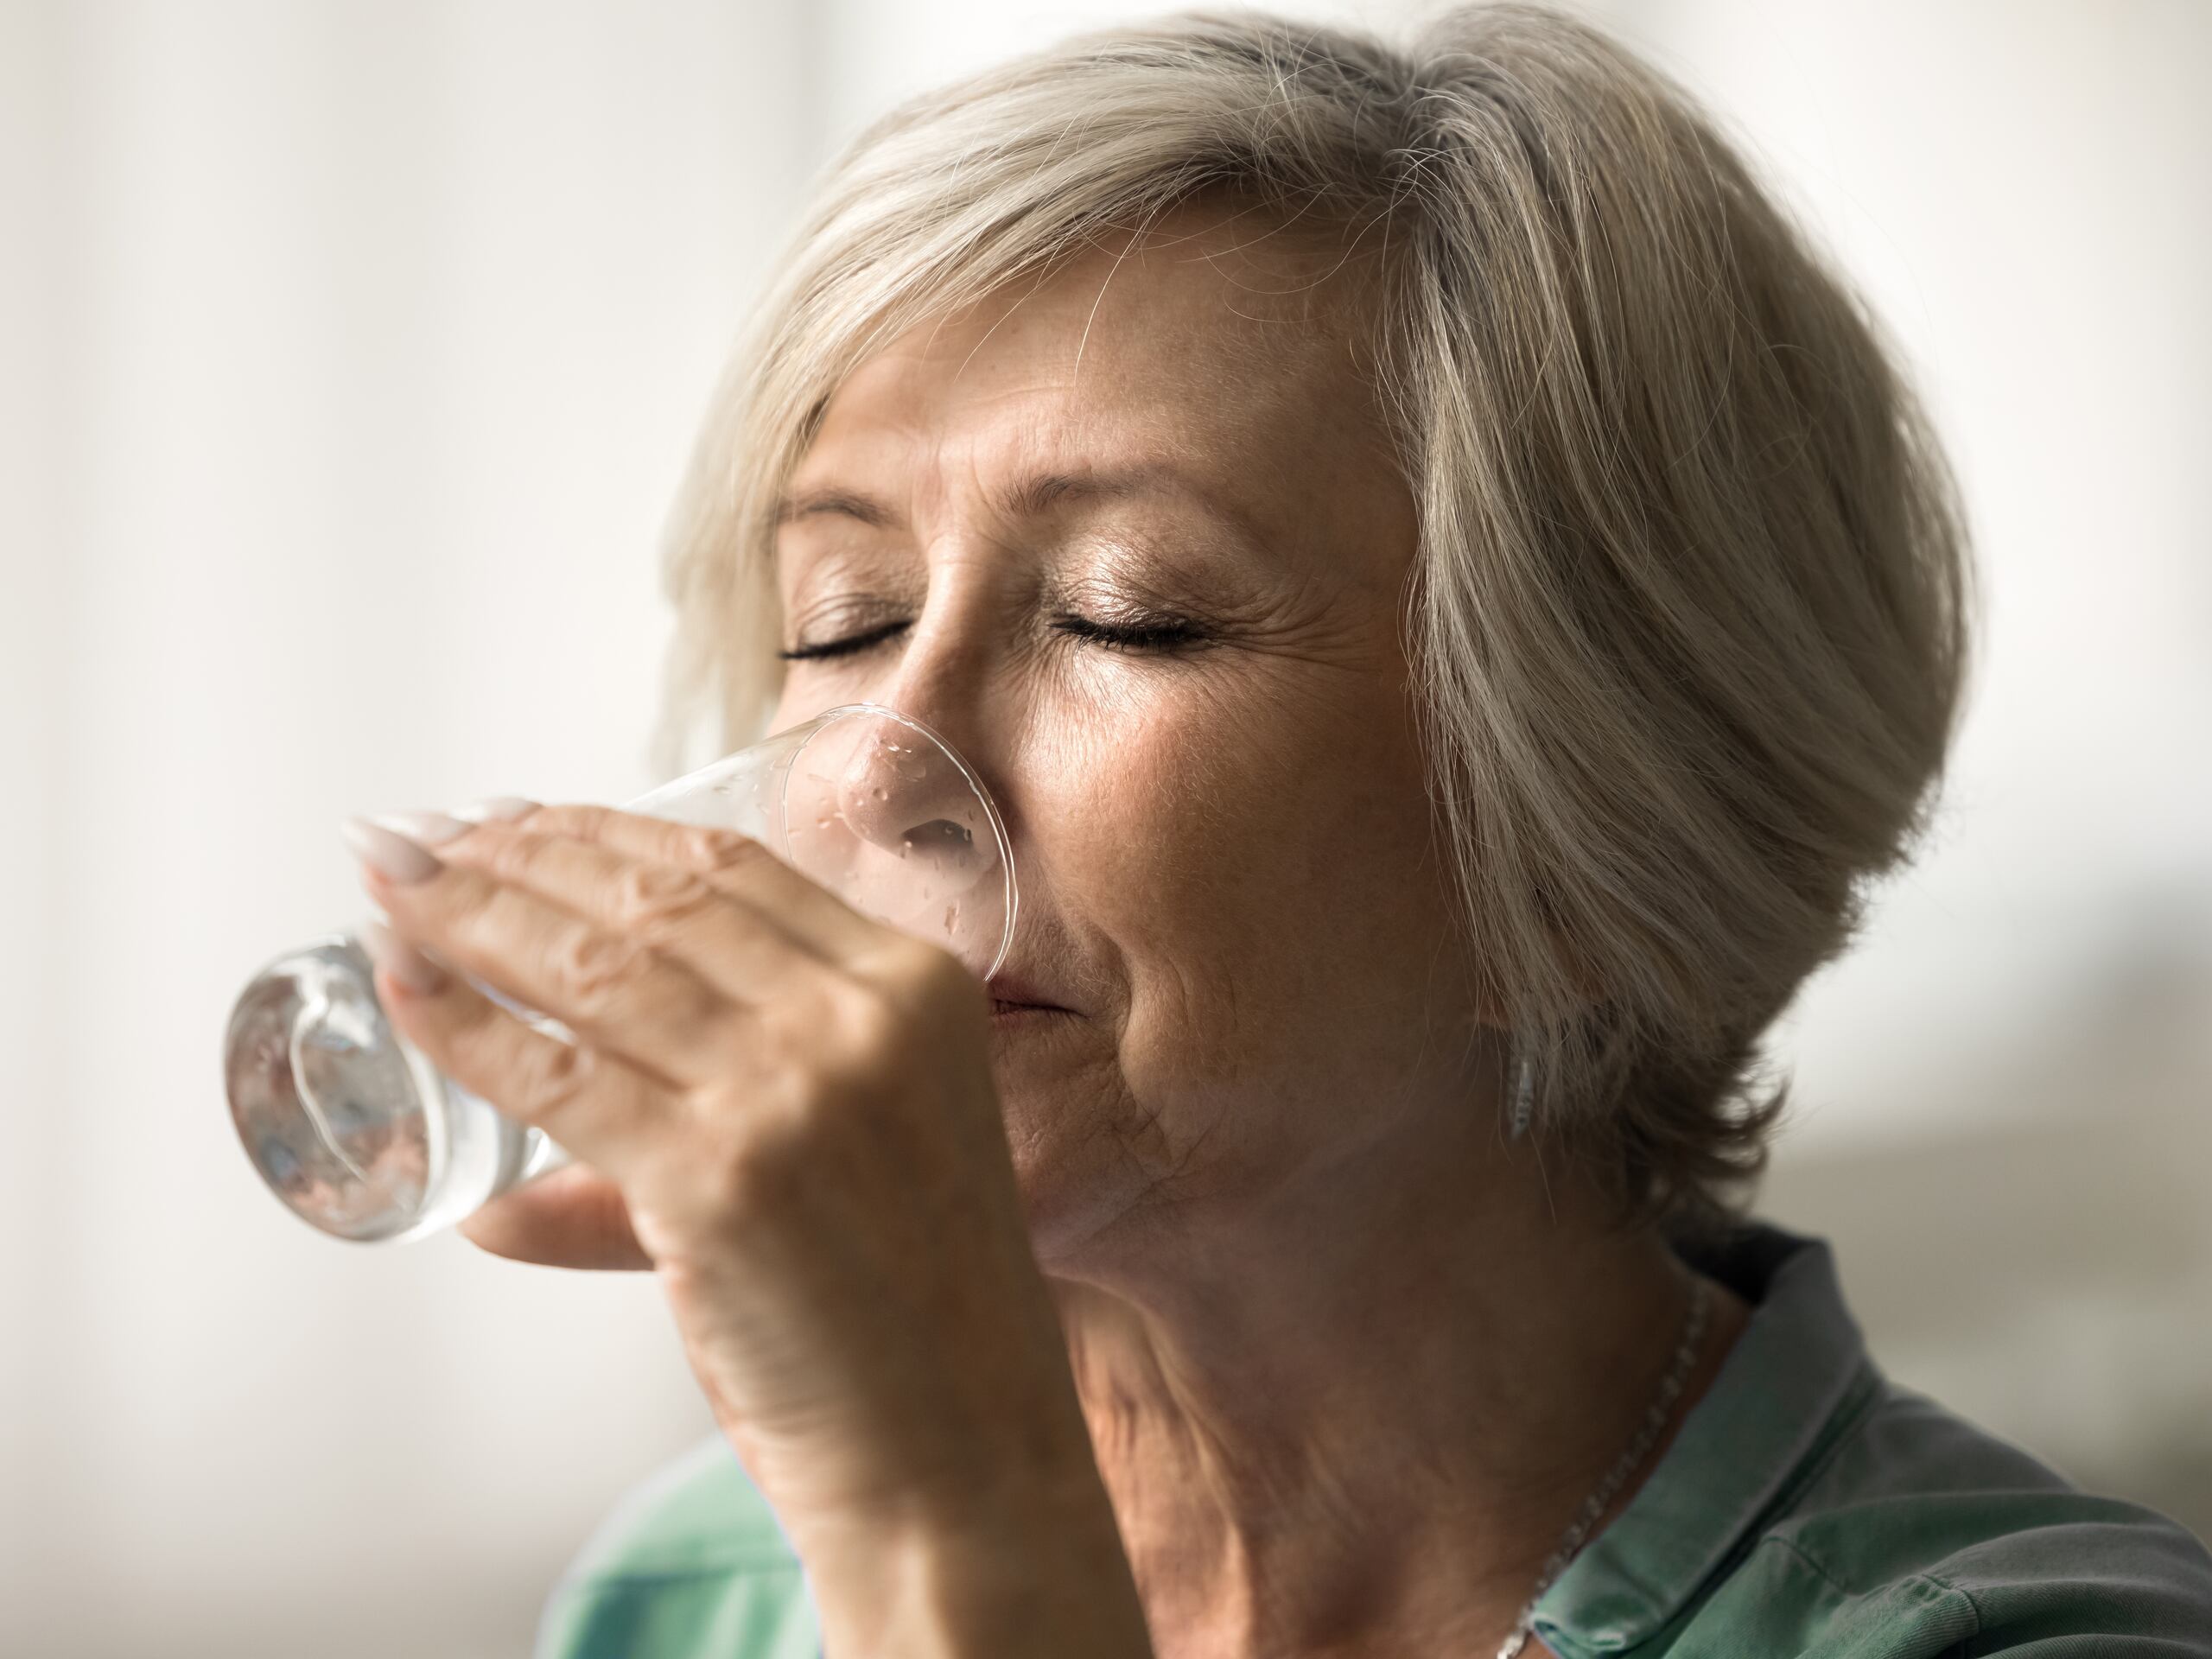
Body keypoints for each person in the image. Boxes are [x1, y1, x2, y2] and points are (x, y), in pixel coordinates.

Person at [341, 5, 2212, 1655]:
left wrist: (944, 1526)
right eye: (839, 619)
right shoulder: (700, 1597)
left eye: (1125, 614)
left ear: (1586, 837)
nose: (864, 772)